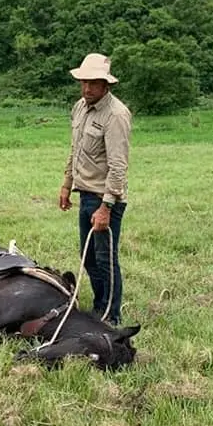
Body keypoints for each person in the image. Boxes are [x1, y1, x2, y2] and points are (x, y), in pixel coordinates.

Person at [59, 52, 132, 326]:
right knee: (87, 256)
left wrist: (106, 206)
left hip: (105, 198)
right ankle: (100, 304)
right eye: (84, 82)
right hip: (85, 193)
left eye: (93, 83)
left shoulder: (116, 115)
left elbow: (118, 166)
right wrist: (67, 183)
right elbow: (75, 149)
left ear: (106, 85)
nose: (87, 88)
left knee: (105, 259)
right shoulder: (79, 107)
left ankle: (111, 316)